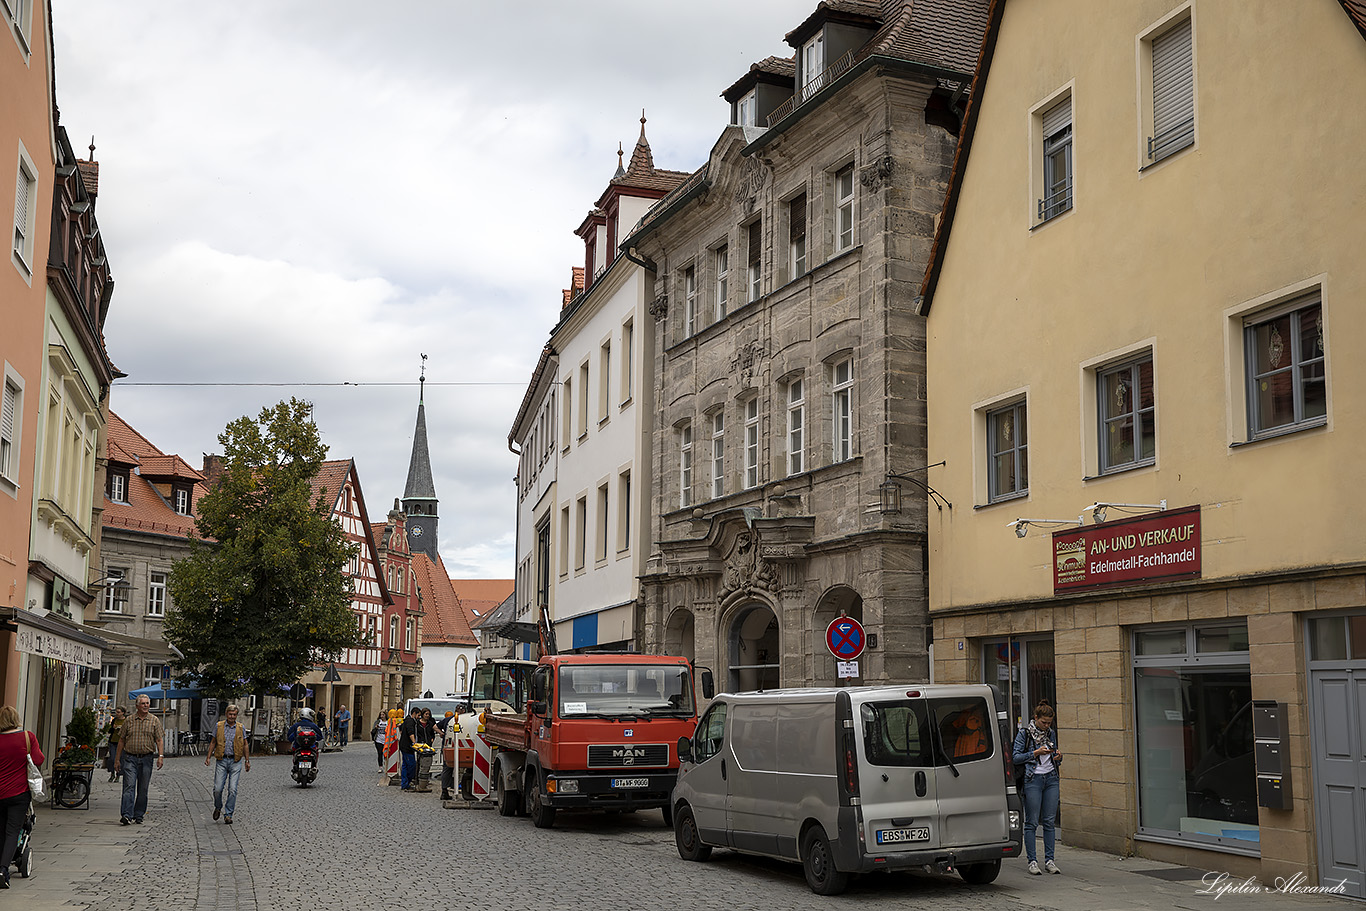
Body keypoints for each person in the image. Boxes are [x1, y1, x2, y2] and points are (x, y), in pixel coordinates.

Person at [1013, 700, 1062, 875]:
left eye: (1049, 723)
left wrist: (1058, 756)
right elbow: (1016, 757)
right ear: (1036, 718)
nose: (1046, 726)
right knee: (1032, 822)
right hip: (1032, 779)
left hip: (1051, 778)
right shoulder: (1025, 734)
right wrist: (1035, 753)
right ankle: (1032, 861)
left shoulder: (1051, 733)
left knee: (1049, 821)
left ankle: (1050, 860)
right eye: (1044, 722)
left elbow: (1055, 753)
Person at [0, 705, 43, 889]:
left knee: (1, 831)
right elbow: (39, 759)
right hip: (19, 793)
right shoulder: (27, 737)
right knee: (12, 832)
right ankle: (2, 870)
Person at [114, 694, 164, 826]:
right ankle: (126, 815)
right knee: (129, 786)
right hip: (130, 758)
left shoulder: (154, 720)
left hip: (147, 758)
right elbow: (121, 740)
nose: (146, 705)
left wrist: (160, 756)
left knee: (143, 789)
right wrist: (117, 759)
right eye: (143, 703)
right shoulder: (129, 721)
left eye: (148, 703)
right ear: (137, 706)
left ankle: (139, 814)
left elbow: (159, 740)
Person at [203, 704, 251, 824]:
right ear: (226, 714)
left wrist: (247, 760)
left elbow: (245, 744)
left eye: (234, 714)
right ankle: (218, 807)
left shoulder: (240, 727)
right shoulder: (219, 726)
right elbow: (213, 742)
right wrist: (208, 757)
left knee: (233, 789)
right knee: (217, 789)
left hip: (236, 761)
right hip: (221, 761)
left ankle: (228, 814)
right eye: (230, 714)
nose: (232, 717)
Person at [398, 705, 420, 791]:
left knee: (405, 765)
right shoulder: (410, 721)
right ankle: (407, 782)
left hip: (404, 746)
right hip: (407, 747)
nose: (419, 717)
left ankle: (405, 783)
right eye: (418, 715)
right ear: (414, 714)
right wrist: (414, 743)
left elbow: (401, 729)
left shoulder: (406, 720)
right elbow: (410, 732)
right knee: (411, 765)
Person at [415, 708, 436, 793]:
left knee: (427, 763)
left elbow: (432, 733)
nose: (427, 716)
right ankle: (418, 780)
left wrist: (432, 739)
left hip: (428, 745)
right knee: (419, 763)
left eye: (428, 714)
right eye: (426, 714)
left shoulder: (430, 724)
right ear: (423, 714)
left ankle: (425, 780)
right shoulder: (417, 723)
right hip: (420, 746)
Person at [103, 706, 127, 781]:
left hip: (122, 742)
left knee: (120, 759)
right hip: (113, 741)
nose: (117, 713)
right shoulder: (114, 720)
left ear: (123, 713)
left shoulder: (126, 721)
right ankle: (112, 773)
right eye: (116, 712)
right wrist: (113, 728)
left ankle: (118, 775)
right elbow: (109, 731)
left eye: (118, 712)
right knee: (112, 758)